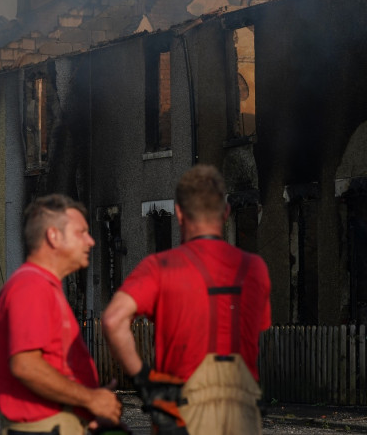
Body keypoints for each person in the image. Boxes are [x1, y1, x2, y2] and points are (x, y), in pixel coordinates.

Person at [102, 165, 271, 435]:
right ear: (226, 213)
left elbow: (112, 320)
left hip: (182, 412)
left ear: (179, 213)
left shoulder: (161, 267)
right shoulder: (254, 269)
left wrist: (144, 380)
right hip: (242, 412)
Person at [0, 194, 122, 435]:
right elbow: (26, 366)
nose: (91, 241)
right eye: (81, 232)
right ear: (53, 236)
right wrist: (90, 399)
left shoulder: (43, 286)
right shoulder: (31, 286)